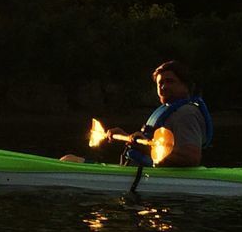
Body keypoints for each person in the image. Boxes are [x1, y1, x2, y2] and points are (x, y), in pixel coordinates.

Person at [61, 60, 213, 167]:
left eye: (170, 81)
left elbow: (191, 158)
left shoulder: (186, 113)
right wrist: (126, 136)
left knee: (68, 160)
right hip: (137, 170)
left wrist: (145, 148)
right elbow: (148, 144)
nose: (164, 86)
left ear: (185, 86)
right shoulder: (170, 110)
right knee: (69, 159)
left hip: (156, 176)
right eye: (160, 83)